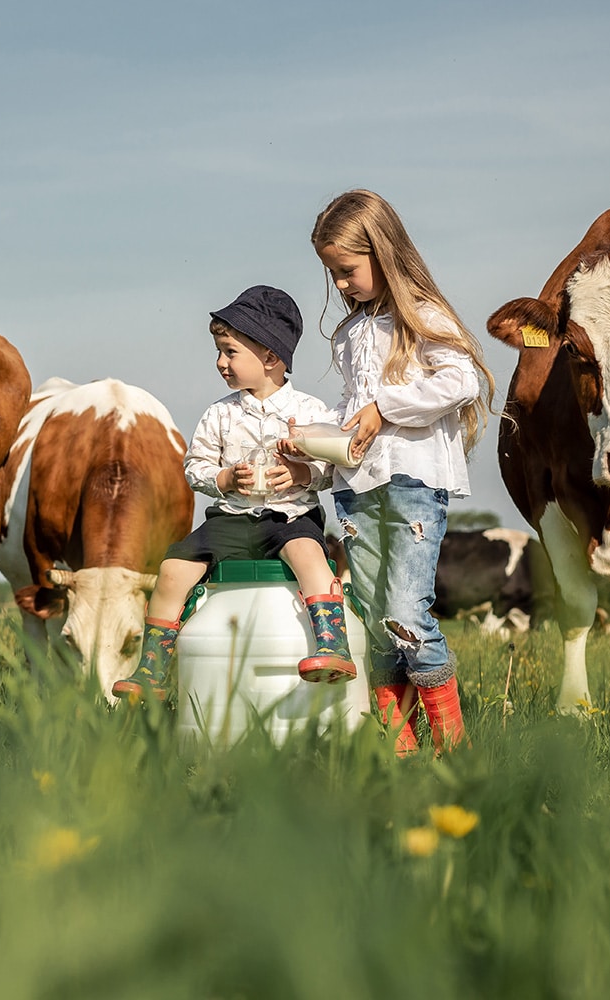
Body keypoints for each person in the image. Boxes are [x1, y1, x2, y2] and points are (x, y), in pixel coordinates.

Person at [302, 189, 496, 753]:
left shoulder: (423, 318)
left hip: (412, 482)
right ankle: (399, 748)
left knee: (406, 611)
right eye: (331, 274)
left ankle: (452, 746)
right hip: (358, 490)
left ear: (382, 253)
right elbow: (350, 409)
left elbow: (461, 381)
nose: (339, 285)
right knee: (374, 613)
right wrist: (317, 445)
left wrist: (385, 408)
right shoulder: (351, 334)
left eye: (347, 271)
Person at [111, 285, 355, 702]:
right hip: (231, 518)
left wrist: (300, 472)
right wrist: (223, 480)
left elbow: (332, 467)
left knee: (312, 557)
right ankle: (153, 668)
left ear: (271, 358)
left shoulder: (313, 413)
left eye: (230, 352)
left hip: (289, 517)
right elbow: (195, 467)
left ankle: (334, 646)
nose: (220, 363)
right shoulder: (219, 414)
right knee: (172, 568)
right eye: (220, 352)